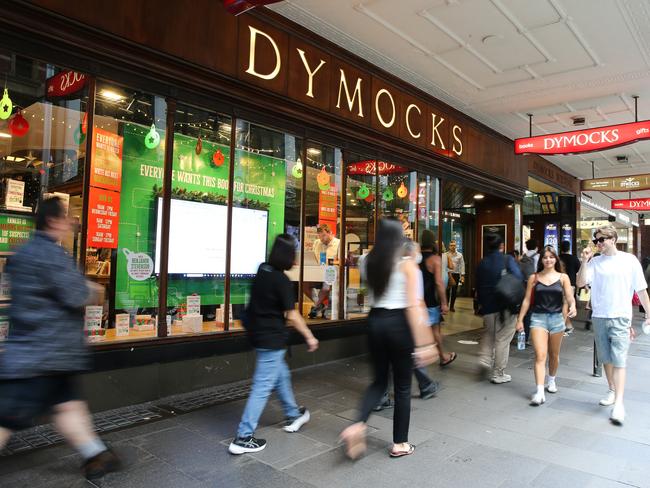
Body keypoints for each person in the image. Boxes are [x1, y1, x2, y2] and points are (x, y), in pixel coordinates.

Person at [0, 197, 121, 480]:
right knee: (5, 417)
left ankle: (95, 454)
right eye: (66, 218)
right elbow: (77, 295)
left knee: (67, 405)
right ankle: (95, 453)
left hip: (36, 351)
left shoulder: (22, 253)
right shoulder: (52, 255)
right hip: (42, 356)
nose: (70, 224)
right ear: (54, 221)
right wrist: (93, 288)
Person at [339, 219, 437, 459]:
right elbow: (415, 306)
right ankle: (400, 443)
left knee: (379, 382)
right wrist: (427, 343)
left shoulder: (366, 262)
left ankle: (357, 425)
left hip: (374, 322)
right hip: (399, 324)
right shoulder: (407, 266)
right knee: (403, 387)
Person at [229, 234, 319, 454]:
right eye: (294, 253)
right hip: (272, 340)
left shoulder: (263, 270)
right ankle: (243, 436)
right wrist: (309, 335)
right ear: (288, 256)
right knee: (262, 387)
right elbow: (292, 315)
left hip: (258, 336)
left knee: (281, 376)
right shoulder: (282, 281)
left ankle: (293, 414)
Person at [576, 225, 650, 425]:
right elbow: (581, 283)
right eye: (596, 240)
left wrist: (649, 314)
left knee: (619, 359)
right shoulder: (595, 262)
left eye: (602, 239)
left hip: (621, 317)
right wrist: (584, 261)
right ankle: (611, 389)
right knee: (606, 358)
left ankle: (619, 403)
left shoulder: (629, 260)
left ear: (613, 239)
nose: (598, 243)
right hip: (599, 316)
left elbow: (641, 290)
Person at [516, 246, 577, 406]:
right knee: (540, 355)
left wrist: (573, 306)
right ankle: (539, 391)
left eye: (551, 257)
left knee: (554, 355)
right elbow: (527, 300)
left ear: (556, 259)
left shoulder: (563, 277)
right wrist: (520, 319)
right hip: (538, 319)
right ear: (541, 260)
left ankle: (552, 380)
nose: (548, 260)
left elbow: (570, 297)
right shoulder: (534, 278)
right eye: (545, 257)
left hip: (557, 319)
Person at [476, 233, 523, 384]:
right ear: (501, 246)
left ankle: (484, 359)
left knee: (489, 334)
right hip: (506, 307)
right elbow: (518, 278)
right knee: (502, 339)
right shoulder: (507, 259)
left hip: (488, 307)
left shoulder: (482, 263)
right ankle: (498, 373)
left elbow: (477, 285)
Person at [421, 230, 456, 367]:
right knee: (435, 331)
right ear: (433, 242)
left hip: (416, 300)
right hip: (429, 301)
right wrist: (444, 303)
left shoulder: (416, 257)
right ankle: (443, 357)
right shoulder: (435, 259)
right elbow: (439, 283)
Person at [307, 224, 340, 319]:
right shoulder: (317, 243)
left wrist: (332, 262)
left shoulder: (338, 243)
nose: (321, 238)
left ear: (330, 233)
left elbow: (342, 260)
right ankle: (319, 305)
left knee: (326, 285)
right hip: (317, 272)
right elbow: (312, 257)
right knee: (304, 283)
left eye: (323, 235)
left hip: (331, 272)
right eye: (319, 236)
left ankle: (316, 306)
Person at [558, 240, 581, 334]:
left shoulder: (558, 258)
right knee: (565, 305)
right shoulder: (574, 258)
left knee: (563, 305)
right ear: (569, 248)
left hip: (558, 283)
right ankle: (563, 327)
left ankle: (568, 326)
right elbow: (578, 271)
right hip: (570, 284)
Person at [519, 239, 539, 342]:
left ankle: (520, 332)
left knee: (523, 309)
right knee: (530, 310)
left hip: (522, 286)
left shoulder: (522, 257)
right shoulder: (537, 257)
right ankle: (526, 336)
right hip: (533, 287)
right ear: (536, 247)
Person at [445, 240, 465, 312]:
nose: (453, 247)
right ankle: (446, 305)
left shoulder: (460, 255)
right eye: (451, 245)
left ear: (456, 246)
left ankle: (452, 306)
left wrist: (462, 275)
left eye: (454, 245)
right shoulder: (446, 254)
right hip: (448, 274)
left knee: (454, 291)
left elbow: (462, 265)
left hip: (456, 274)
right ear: (449, 246)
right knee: (447, 291)